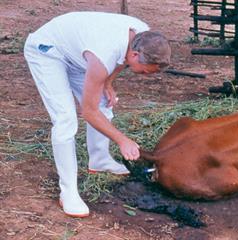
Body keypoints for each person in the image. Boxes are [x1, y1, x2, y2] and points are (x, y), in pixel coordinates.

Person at [24, 11, 171, 218]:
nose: (148, 75)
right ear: (136, 55)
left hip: (79, 54)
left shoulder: (142, 34)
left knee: (103, 101)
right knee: (66, 120)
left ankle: (100, 159)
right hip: (48, 50)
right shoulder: (104, 53)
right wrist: (122, 140)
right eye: (147, 70)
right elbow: (89, 112)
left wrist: (108, 83)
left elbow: (122, 60)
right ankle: (68, 192)